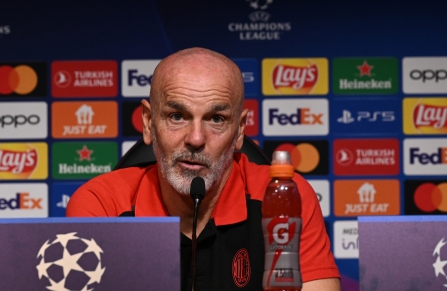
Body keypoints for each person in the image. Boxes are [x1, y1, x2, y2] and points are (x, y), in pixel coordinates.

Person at [66, 47, 341, 290]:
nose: (196, 139)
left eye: (216, 119)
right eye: (177, 116)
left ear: (240, 130)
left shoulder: (285, 198)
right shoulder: (102, 205)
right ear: (148, 123)